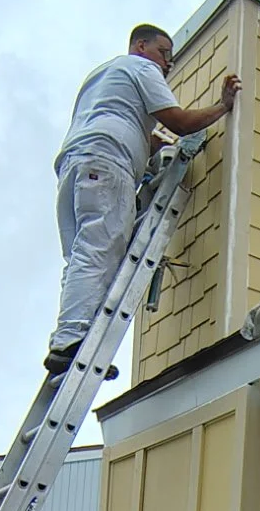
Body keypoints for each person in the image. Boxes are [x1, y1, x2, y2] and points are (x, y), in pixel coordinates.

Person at [45, 24, 241, 377]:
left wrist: (152, 147)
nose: (167, 63)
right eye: (164, 53)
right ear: (141, 46)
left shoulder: (100, 77)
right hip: (108, 163)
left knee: (80, 256)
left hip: (75, 165)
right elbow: (180, 122)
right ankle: (73, 342)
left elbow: (121, 120)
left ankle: (69, 334)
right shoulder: (142, 68)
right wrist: (221, 107)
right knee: (100, 249)